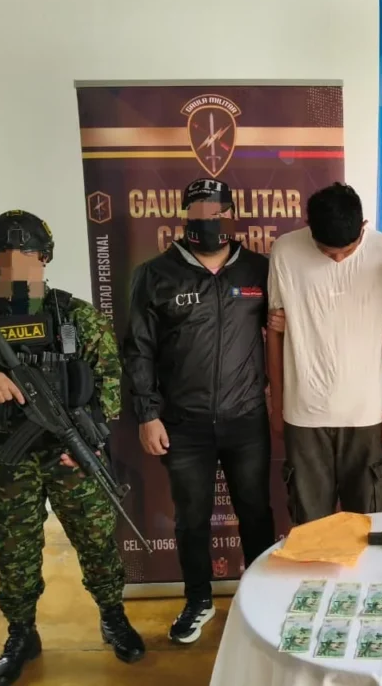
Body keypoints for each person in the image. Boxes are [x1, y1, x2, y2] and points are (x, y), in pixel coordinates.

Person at [0, 210, 145, 685]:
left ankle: (113, 616)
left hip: (70, 455)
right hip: (8, 457)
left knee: (96, 540)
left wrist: (89, 440)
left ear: (46, 257)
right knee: (12, 549)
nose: (18, 264)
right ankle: (21, 633)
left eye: (28, 254)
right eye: (5, 257)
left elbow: (109, 383)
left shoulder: (76, 316)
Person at [122, 178, 276, 644]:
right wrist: (147, 414)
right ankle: (198, 599)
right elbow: (138, 349)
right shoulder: (155, 274)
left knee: (256, 512)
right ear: (185, 216)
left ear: (231, 215)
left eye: (217, 212)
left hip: (247, 417)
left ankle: (262, 598)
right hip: (182, 423)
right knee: (192, 518)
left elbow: (284, 331)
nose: (209, 220)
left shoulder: (259, 269)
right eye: (199, 212)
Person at [266, 182, 382, 524]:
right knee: (310, 526)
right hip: (304, 414)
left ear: (364, 226)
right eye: (327, 252)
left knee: (368, 523)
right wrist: (277, 404)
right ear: (308, 229)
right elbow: (275, 335)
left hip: (365, 413)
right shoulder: (286, 250)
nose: (338, 259)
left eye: (347, 251)